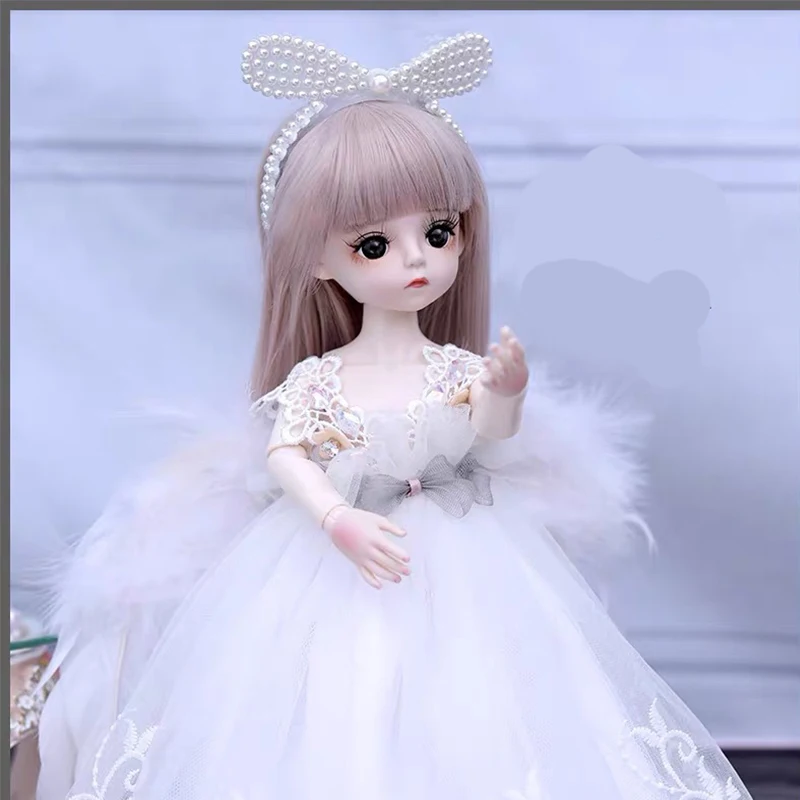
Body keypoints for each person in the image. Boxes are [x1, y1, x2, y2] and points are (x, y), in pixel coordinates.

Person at [36, 32, 751, 800]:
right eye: (374, 244)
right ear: (316, 259)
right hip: (333, 556)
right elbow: (286, 455)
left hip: (469, 553)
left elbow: (488, 436)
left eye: (438, 233)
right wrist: (336, 517)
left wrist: (507, 391)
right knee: (331, 704)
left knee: (486, 702)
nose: (416, 259)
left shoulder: (453, 367)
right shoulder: (319, 378)